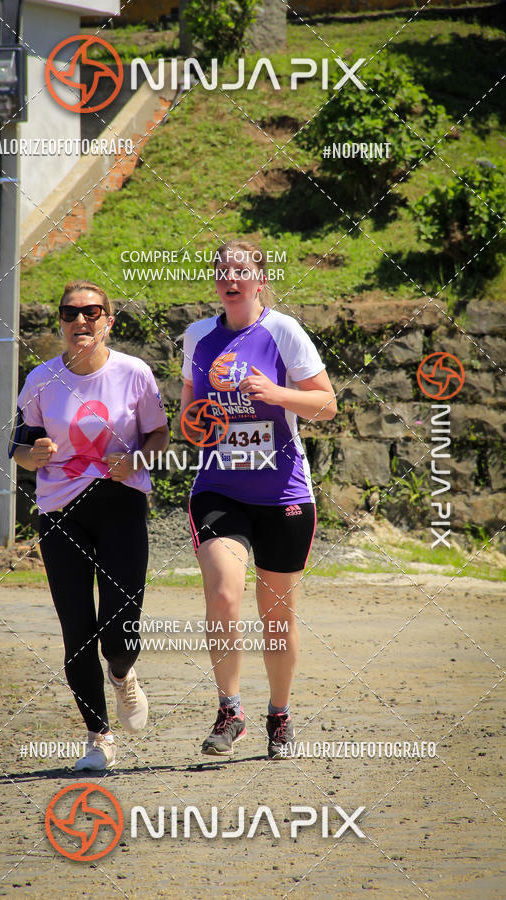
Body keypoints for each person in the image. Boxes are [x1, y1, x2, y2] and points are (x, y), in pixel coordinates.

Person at [181, 240, 337, 760]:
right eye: (222, 269)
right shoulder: (198, 337)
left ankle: (280, 715)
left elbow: (326, 404)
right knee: (224, 593)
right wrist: (199, 426)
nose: (231, 278)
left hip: (283, 492)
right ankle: (230, 711)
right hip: (220, 488)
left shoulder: (283, 331)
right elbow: (191, 416)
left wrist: (278, 395)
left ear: (259, 281)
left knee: (277, 613)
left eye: (241, 271)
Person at [10, 280, 169, 771]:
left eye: (93, 312)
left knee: (119, 630)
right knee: (76, 628)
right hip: (60, 514)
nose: (82, 320)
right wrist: (31, 456)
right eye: (71, 313)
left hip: (121, 505)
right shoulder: (40, 379)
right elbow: (16, 449)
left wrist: (137, 459)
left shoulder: (134, 373)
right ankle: (98, 738)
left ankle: (122, 674)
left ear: (109, 321)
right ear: (60, 322)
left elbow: (160, 435)